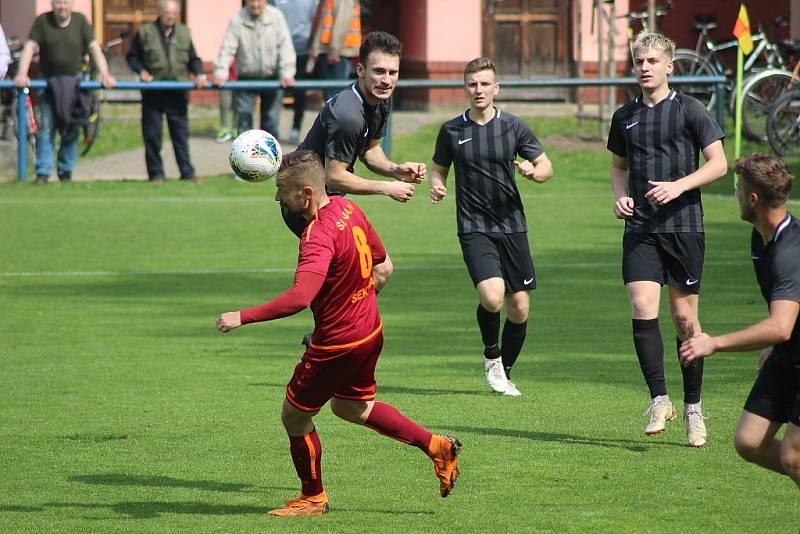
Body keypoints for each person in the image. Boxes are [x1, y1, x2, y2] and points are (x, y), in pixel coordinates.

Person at [216, 150, 461, 516]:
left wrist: (243, 316)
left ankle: (312, 498)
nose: (278, 199)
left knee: (295, 417)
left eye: (282, 192)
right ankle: (436, 446)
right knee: (350, 406)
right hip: (369, 330)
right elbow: (380, 263)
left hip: (338, 344)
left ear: (306, 194)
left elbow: (300, 296)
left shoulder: (316, 236)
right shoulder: (351, 211)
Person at [606, 32, 727, 447]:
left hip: (684, 227)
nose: (644, 67)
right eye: (639, 61)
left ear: (669, 66)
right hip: (640, 229)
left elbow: (719, 165)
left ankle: (693, 407)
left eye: (652, 61)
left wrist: (679, 186)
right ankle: (659, 399)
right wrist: (619, 197)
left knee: (684, 321)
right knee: (642, 306)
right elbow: (619, 166)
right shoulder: (624, 116)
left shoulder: (690, 110)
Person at [429, 57, 553, 397]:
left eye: (485, 84)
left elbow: (546, 167)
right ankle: (491, 356)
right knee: (492, 296)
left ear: (496, 88)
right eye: (473, 84)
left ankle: (504, 371)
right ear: (465, 89)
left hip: (512, 226)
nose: (478, 90)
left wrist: (533, 172)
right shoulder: (452, 130)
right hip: (474, 226)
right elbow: (438, 169)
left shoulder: (514, 127)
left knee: (520, 306)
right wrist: (437, 184)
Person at [681, 153, 800, 488]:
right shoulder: (761, 238)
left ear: (753, 199)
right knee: (749, 441)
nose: (735, 196)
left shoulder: (789, 251)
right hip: (789, 355)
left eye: (737, 190)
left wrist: (714, 342)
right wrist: (775, 346)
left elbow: (780, 325)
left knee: (793, 456)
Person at [292, 30, 425, 293]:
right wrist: (387, 188)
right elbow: (334, 176)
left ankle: (337, 331)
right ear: (360, 70)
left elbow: (371, 151)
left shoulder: (380, 100)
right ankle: (337, 332)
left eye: (393, 72)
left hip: (332, 200)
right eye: (379, 71)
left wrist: (396, 170)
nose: (387, 80)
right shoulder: (347, 116)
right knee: (372, 271)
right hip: (305, 200)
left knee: (377, 270)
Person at [14, 0, 117, 184]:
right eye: (59, 3)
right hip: (48, 83)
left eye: (66, 3)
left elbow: (94, 48)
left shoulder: (80, 21)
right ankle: (43, 171)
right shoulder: (42, 22)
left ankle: (66, 170)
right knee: (46, 127)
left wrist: (105, 74)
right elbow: (29, 47)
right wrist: (22, 73)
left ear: (72, 5)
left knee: (72, 127)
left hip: (76, 84)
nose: (62, 7)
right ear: (52, 5)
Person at [126, 0, 206, 183]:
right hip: (153, 92)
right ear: (160, 13)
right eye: (167, 12)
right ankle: (156, 174)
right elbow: (132, 56)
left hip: (177, 92)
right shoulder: (145, 32)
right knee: (152, 136)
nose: (170, 16)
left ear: (177, 14)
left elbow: (194, 59)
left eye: (174, 13)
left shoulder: (185, 33)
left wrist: (199, 73)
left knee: (180, 136)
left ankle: (187, 172)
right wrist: (141, 71)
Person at [213, 0, 295, 139]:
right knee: (244, 125)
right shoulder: (237, 19)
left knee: (270, 123)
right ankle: (244, 160)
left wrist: (287, 73)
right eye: (252, 0)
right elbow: (227, 48)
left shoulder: (276, 17)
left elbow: (285, 46)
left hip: (273, 79)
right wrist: (221, 72)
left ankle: (271, 159)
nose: (255, 4)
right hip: (246, 78)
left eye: (259, 0)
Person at [274, 0, 318, 144]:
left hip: (302, 50)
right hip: (278, 50)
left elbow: (316, 21)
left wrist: (313, 48)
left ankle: (296, 127)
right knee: (276, 89)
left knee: (299, 90)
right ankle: (272, 130)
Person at [309, 0, 361, 100]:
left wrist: (334, 50)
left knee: (333, 97)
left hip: (335, 53)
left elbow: (341, 23)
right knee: (333, 96)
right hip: (333, 52)